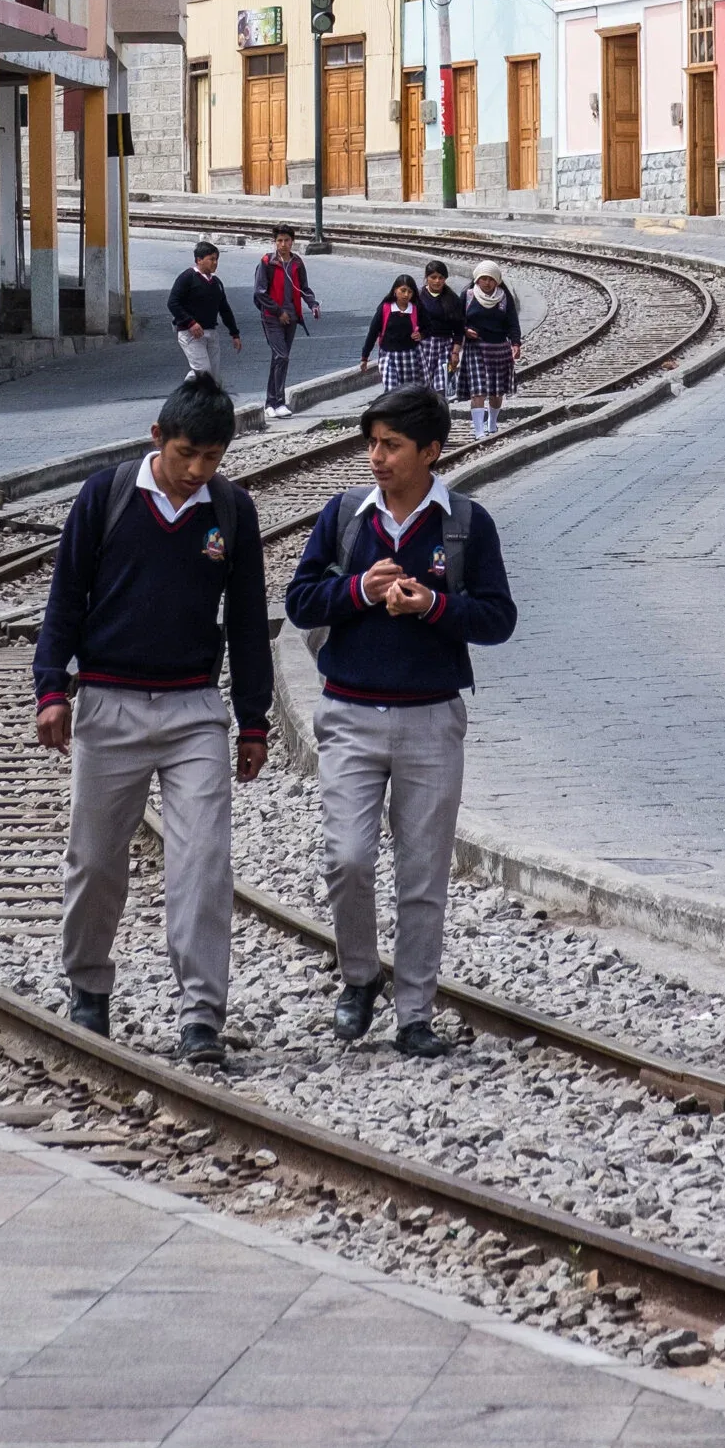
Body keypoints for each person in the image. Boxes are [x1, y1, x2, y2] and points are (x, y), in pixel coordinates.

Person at [33, 376, 271, 1063]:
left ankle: (201, 1016)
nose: (197, 470)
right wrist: (52, 688)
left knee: (203, 862)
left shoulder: (232, 511)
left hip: (195, 710)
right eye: (187, 453)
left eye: (212, 457)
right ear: (157, 439)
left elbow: (249, 623)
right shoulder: (104, 497)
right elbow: (64, 600)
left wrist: (251, 720)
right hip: (107, 704)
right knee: (96, 862)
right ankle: (87, 986)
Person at [284, 389, 517, 1058]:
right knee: (347, 859)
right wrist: (357, 591)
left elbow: (498, 619)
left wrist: (433, 606)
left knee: (422, 877)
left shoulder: (465, 524)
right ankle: (359, 975)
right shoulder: (343, 519)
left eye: (390, 445)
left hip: (431, 721)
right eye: (373, 443)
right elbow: (299, 603)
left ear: (430, 453)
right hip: (349, 715)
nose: (376, 457)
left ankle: (414, 1011)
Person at [253, 225, 319, 420]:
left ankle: (270, 402)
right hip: (272, 317)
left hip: (291, 316)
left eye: (286, 241)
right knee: (282, 356)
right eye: (279, 241)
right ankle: (279, 402)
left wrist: (313, 304)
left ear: (292, 241)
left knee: (278, 357)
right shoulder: (267, 262)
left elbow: (304, 288)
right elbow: (260, 292)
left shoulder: (297, 263)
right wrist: (277, 311)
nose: (283, 245)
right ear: (275, 242)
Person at [459, 259, 522, 441]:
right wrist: (464, 331)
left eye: (491, 279)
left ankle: (492, 423)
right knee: (477, 390)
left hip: (499, 349)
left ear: (497, 280)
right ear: (477, 279)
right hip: (476, 349)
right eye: (483, 278)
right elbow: (457, 320)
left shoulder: (504, 298)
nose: (487, 283)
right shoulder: (468, 296)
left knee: (496, 391)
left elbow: (512, 323)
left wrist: (516, 343)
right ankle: (478, 431)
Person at [167, 239, 241, 391]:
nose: (215, 263)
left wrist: (234, 333)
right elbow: (173, 303)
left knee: (213, 376)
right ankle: (188, 398)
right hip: (191, 334)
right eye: (211, 259)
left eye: (216, 259)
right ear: (199, 260)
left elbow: (224, 309)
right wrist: (190, 323)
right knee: (204, 373)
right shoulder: (187, 278)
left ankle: (192, 395)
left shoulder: (216, 283)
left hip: (211, 332)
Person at [363, 274, 428, 393]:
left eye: (409, 292)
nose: (406, 295)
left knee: (410, 393)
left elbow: (428, 327)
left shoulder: (416, 308)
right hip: (389, 356)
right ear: (395, 290)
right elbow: (373, 332)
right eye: (403, 290)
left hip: (411, 357)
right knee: (392, 392)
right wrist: (365, 357)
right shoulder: (385, 308)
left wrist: (421, 334)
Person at [416, 259, 466, 393]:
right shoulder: (417, 297)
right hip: (422, 346)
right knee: (420, 387)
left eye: (441, 278)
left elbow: (459, 329)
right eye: (433, 277)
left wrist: (455, 353)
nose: (437, 281)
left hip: (445, 347)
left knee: (443, 386)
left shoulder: (453, 299)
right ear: (426, 278)